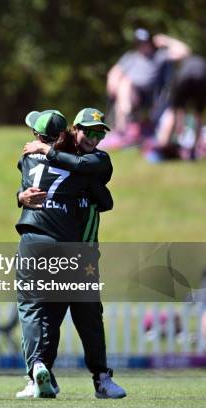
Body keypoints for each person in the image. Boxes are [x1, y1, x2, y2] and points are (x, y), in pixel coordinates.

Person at [20, 108, 126, 399]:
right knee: (51, 315)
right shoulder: (59, 159)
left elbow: (105, 199)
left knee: (88, 315)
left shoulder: (98, 160)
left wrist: (47, 150)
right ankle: (44, 375)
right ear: (73, 129)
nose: (93, 138)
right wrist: (22, 196)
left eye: (99, 133)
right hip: (64, 247)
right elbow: (35, 184)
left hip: (84, 251)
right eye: (88, 131)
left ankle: (100, 378)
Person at [106, 28, 190, 142]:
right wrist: (112, 82)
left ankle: (125, 128)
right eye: (139, 43)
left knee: (126, 84)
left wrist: (166, 41)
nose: (143, 46)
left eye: (145, 43)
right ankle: (123, 129)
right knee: (125, 83)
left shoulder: (160, 56)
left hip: (152, 96)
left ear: (151, 43)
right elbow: (115, 72)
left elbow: (185, 52)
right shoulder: (131, 57)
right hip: (132, 94)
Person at [150, 55, 206, 162]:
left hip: (184, 78)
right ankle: (193, 152)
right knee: (198, 115)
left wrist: (179, 129)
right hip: (203, 78)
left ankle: (163, 149)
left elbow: (179, 112)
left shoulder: (182, 65)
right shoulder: (199, 62)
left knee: (174, 112)